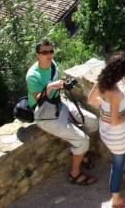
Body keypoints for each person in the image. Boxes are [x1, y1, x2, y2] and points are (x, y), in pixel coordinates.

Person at [26, 40, 98, 186]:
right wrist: (49, 87)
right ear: (37, 55)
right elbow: (38, 99)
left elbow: (56, 84)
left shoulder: (53, 65)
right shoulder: (33, 75)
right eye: (44, 52)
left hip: (59, 104)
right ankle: (75, 174)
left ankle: (78, 150)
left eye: (51, 51)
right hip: (45, 114)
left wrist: (63, 84)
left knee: (93, 121)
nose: (49, 55)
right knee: (83, 140)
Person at [87, 52, 125, 207]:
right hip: (117, 135)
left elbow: (90, 100)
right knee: (117, 165)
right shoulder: (115, 93)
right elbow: (116, 121)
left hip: (107, 132)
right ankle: (116, 199)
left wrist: (104, 105)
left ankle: (117, 183)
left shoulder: (102, 82)